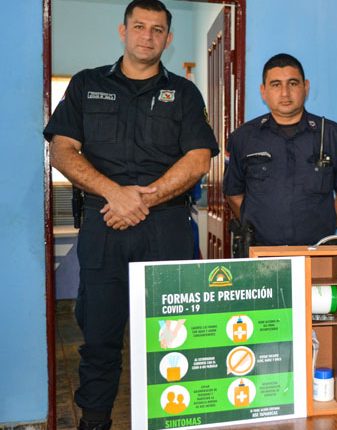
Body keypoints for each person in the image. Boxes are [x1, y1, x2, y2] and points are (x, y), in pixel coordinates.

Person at [43, 1, 218, 429]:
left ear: (168, 39)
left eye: (157, 29)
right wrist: (114, 194)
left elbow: (198, 159)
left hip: (167, 229)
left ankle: (169, 420)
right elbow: (62, 149)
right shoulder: (86, 84)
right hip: (105, 225)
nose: (147, 36)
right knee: (100, 340)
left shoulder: (184, 92)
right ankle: (95, 422)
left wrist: (142, 200)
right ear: (123, 31)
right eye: (139, 26)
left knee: (172, 340)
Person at [223, 53, 337, 247]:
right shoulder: (243, 138)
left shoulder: (333, 135)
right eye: (276, 85)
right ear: (263, 91)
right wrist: (260, 227)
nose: (285, 93)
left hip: (317, 252)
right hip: (261, 253)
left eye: (293, 83)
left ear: (306, 87)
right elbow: (233, 194)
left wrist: (323, 228)